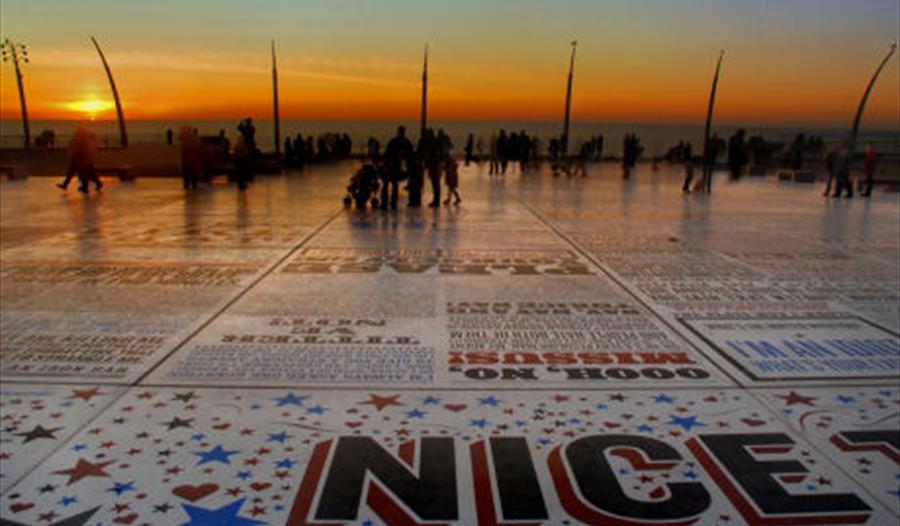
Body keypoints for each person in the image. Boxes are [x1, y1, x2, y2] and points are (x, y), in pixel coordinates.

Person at [57, 127, 101, 193]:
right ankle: (66, 184)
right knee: (79, 172)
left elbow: (75, 146)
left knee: (83, 173)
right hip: (79, 158)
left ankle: (86, 187)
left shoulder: (83, 139)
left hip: (81, 158)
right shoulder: (84, 139)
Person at [382, 126, 414, 210]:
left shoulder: (394, 141)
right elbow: (409, 155)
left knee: (386, 184)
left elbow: (387, 153)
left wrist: (386, 164)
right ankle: (393, 202)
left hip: (391, 166)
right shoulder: (405, 142)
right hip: (397, 166)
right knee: (394, 185)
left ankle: (385, 202)